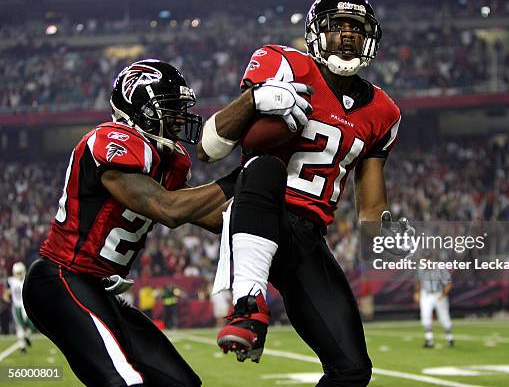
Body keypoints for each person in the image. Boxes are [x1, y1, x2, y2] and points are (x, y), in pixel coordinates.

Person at [23, 59, 311, 387]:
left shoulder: (167, 161)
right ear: (141, 109)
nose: (179, 119)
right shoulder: (111, 141)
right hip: (60, 280)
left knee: (181, 383)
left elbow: (216, 219)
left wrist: (261, 178)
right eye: (170, 109)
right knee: (125, 381)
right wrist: (238, 177)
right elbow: (168, 209)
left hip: (98, 291)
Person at [207, 0, 403, 386]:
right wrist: (254, 98)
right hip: (260, 209)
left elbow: (371, 207)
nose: (346, 36)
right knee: (263, 165)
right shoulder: (284, 64)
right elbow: (211, 147)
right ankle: (247, 305)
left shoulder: (384, 112)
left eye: (355, 28)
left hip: (310, 236)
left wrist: (396, 238)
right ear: (316, 34)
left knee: (352, 370)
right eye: (337, 27)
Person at [414, 262, 454, 348]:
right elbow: (418, 282)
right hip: (426, 294)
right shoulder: (421, 269)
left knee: (444, 317)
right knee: (425, 315)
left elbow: (449, 284)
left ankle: (450, 339)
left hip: (438, 294)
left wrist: (443, 294)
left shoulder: (440, 269)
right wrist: (417, 292)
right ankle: (429, 340)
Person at [4, 262, 34, 353]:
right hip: (18, 307)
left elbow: (6, 294)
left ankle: (25, 337)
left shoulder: (12, 281)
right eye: (18, 273)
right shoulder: (14, 281)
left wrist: (7, 298)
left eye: (20, 273)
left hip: (24, 306)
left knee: (30, 326)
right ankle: (22, 346)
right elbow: (6, 294)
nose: (19, 275)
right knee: (21, 326)